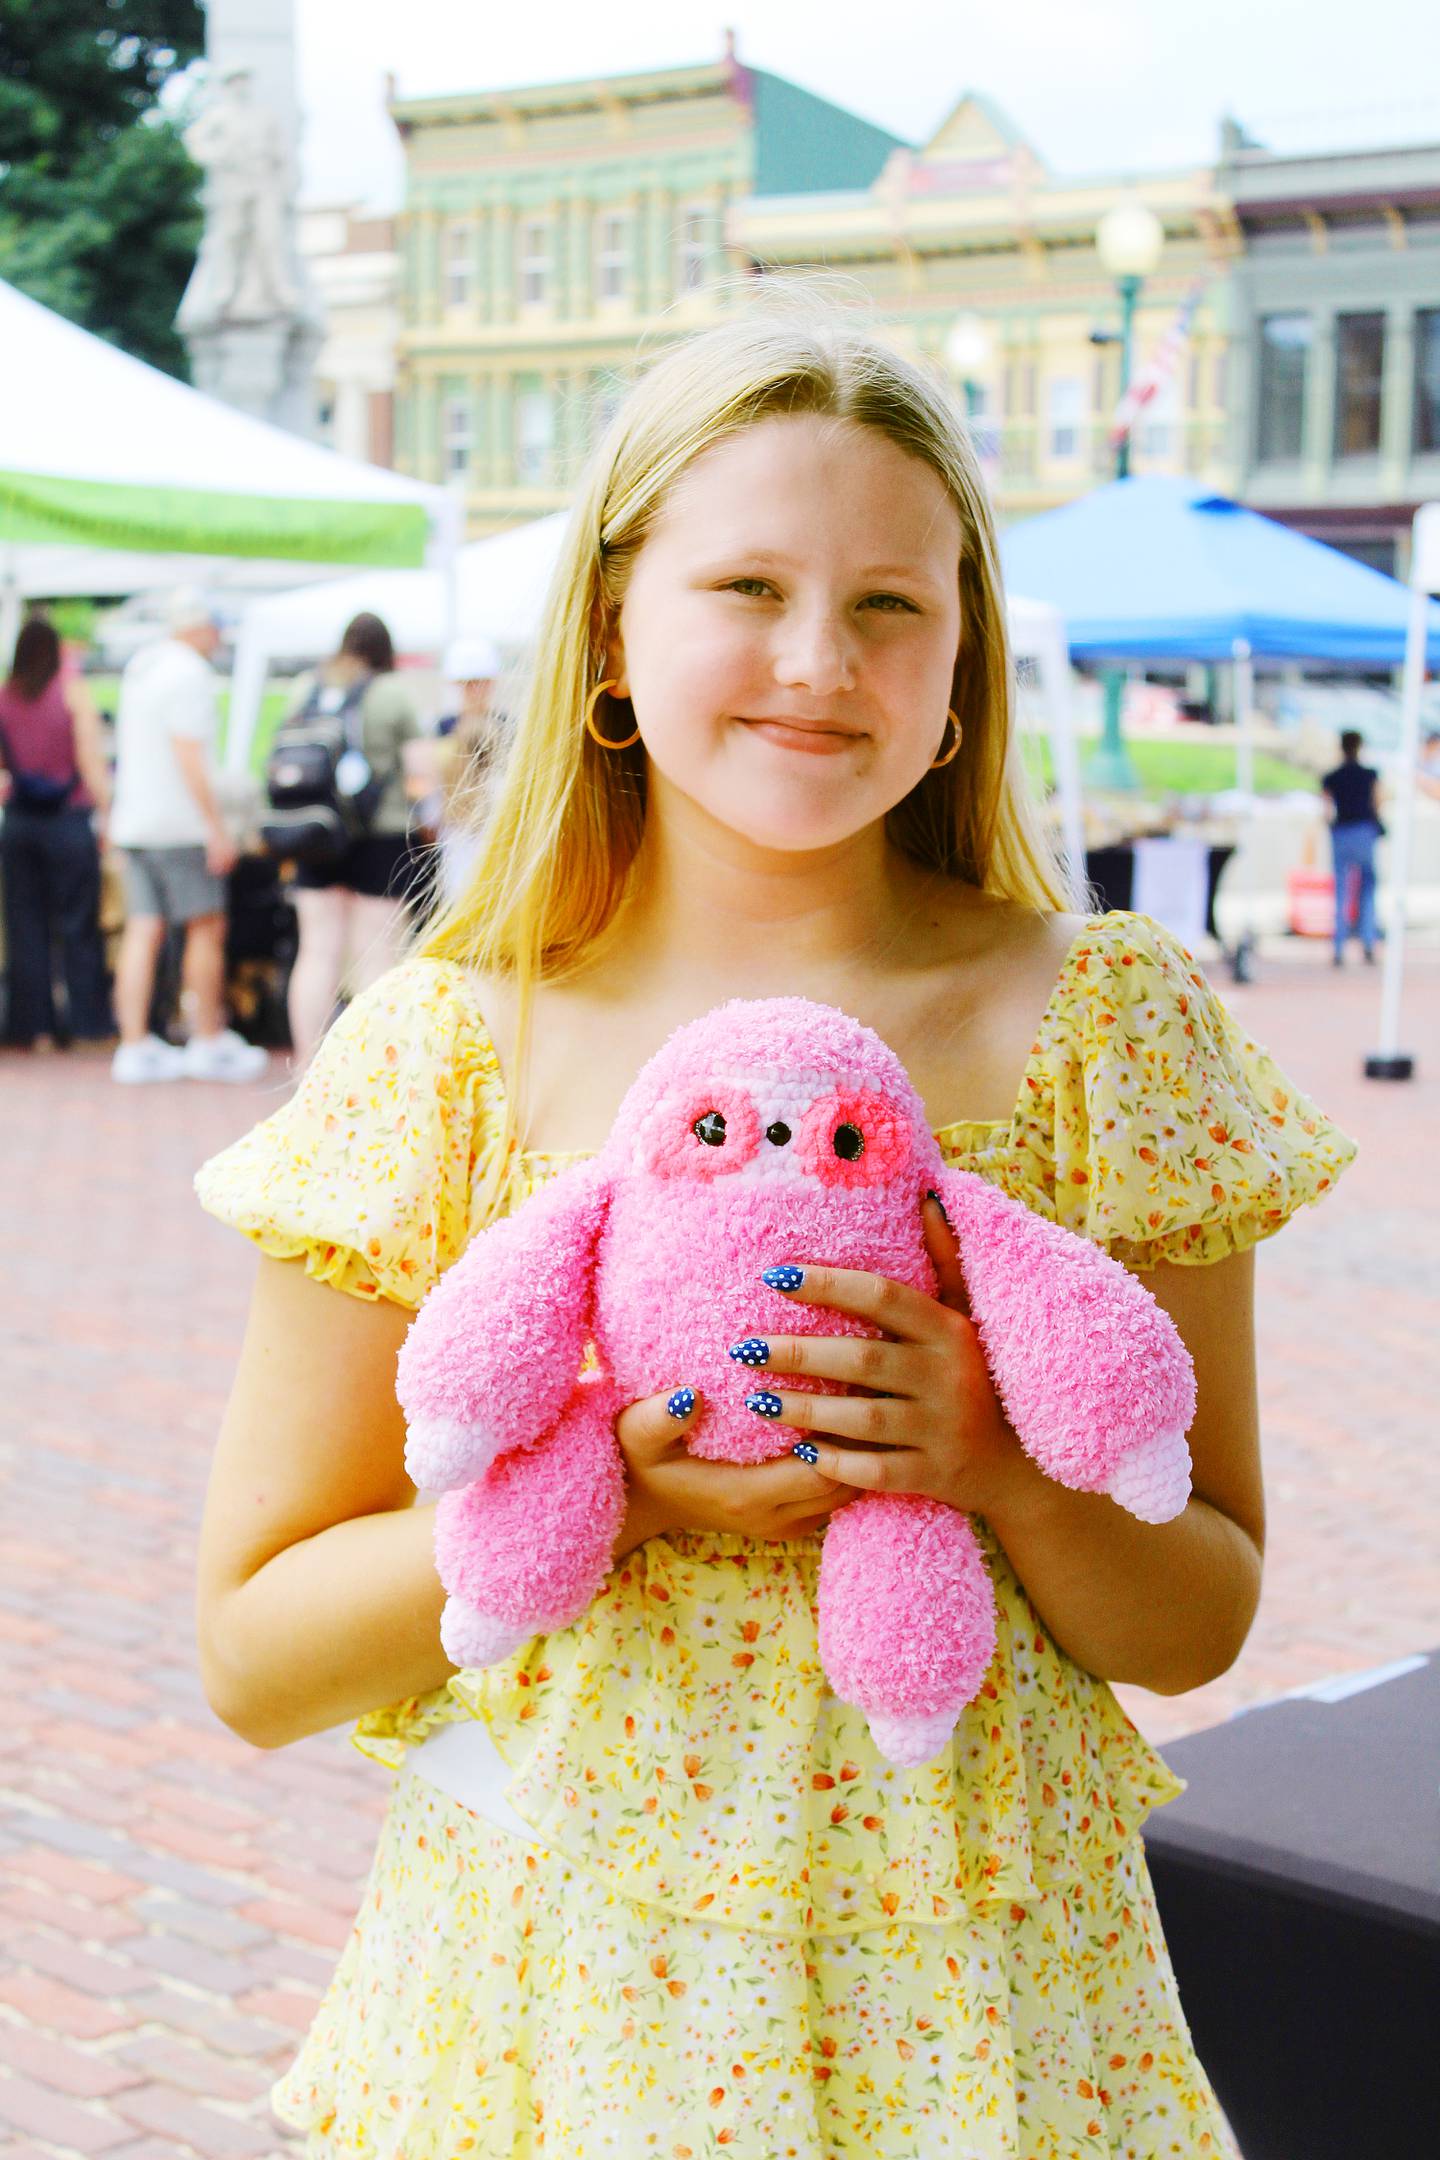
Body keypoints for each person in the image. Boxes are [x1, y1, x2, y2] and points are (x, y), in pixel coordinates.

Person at [194, 297, 1357, 2157]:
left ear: (963, 659)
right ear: (608, 631)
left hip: (987, 2009)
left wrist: (1000, 1460)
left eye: (892, 602)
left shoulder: (1105, 1026)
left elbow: (1201, 1604)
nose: (821, 660)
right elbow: (257, 1656)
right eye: (748, 585)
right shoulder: (449, 1051)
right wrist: (611, 1492)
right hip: (560, 2002)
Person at [108, 590, 268, 1084]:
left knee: (142, 928)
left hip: (135, 818)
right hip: (178, 823)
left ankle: (133, 1043)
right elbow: (189, 755)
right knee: (206, 926)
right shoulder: (189, 674)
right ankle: (206, 1037)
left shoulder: (143, 666)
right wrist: (215, 826)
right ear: (199, 628)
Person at [279, 612, 424, 1070]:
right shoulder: (392, 694)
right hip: (379, 835)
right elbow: (422, 772)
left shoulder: (306, 688)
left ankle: (306, 1064)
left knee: (317, 950)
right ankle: (369, 1069)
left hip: (315, 831)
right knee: (376, 952)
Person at [0, 616, 114, 1049]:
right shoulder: (71, 689)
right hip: (68, 820)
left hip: (20, 822)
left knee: (25, 926)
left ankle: (34, 1029)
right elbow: (89, 757)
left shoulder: (5, 696)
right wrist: (106, 810)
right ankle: (87, 1027)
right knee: (78, 925)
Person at [429, 632, 505, 908]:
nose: (474, 691)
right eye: (467, 684)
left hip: (498, 834)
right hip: (455, 836)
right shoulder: (442, 728)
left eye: (480, 683)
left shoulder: (507, 726)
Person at [1320, 728, 1383, 966]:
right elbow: (1378, 801)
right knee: (1367, 888)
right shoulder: (1369, 774)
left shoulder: (1333, 776)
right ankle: (1368, 941)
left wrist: (1333, 826)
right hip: (1364, 831)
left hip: (1342, 832)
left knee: (1341, 891)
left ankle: (1339, 946)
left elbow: (1326, 809)